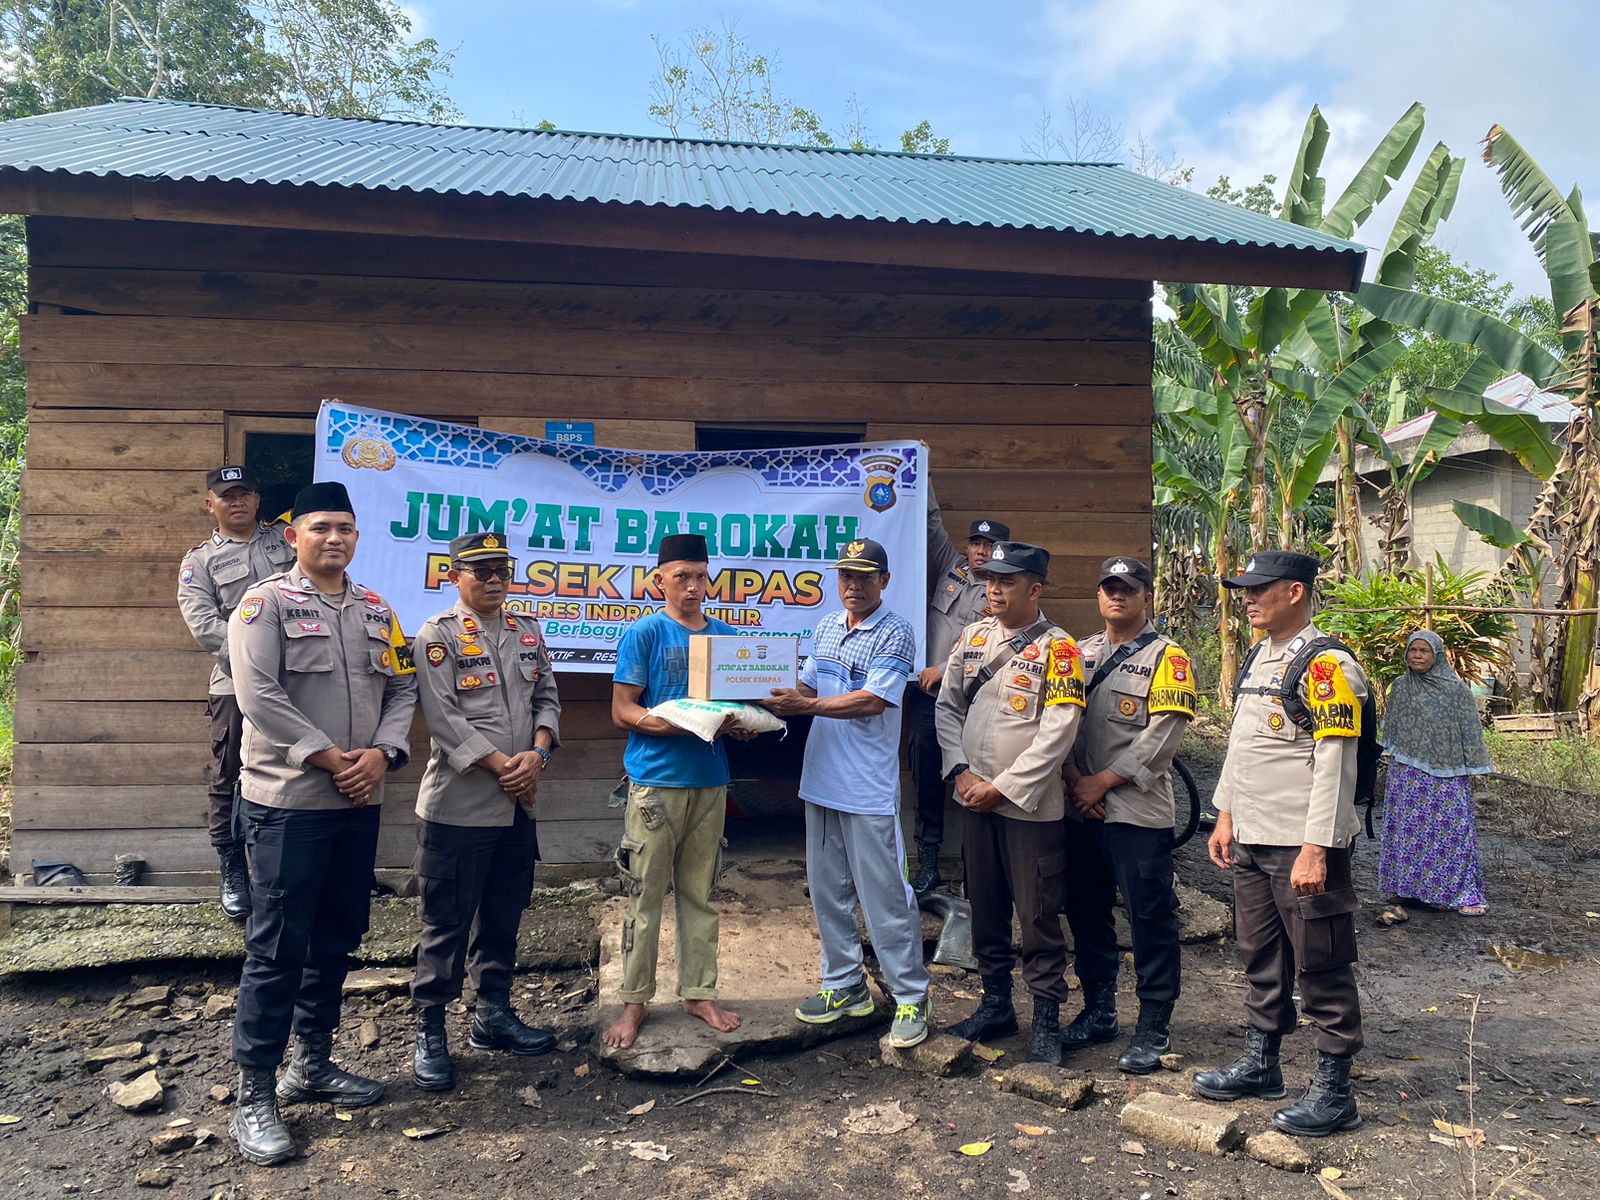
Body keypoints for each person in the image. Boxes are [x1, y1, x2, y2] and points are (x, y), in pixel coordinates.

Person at [225, 481, 417, 1166]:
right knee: (278, 946)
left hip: (357, 802)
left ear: (357, 537)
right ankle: (254, 1095)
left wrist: (383, 753)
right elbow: (259, 696)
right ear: (294, 536)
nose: (334, 538)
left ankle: (310, 1063)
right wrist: (333, 758)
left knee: (338, 934)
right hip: (288, 804)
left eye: (345, 528)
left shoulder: (377, 610)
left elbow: (404, 687)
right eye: (321, 528)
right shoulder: (264, 606)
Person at [1193, 550, 1368, 1139]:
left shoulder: (1327, 667)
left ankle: (1334, 1088)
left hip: (1300, 843)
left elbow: (1335, 765)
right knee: (1260, 956)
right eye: (1244, 588)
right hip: (1250, 837)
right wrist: (1224, 814)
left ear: (1295, 592)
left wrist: (1317, 848)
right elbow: (1245, 748)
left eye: (1259, 588)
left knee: (1321, 962)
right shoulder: (1259, 656)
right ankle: (1261, 1063)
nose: (1247, 597)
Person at [409, 532, 564, 1092]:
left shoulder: (527, 630)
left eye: (502, 569)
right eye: (481, 570)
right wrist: (507, 766)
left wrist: (538, 752)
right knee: (446, 923)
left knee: (504, 913)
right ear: (456, 576)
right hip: (458, 808)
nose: (494, 578)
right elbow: (444, 720)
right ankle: (430, 1030)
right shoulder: (437, 636)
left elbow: (547, 697)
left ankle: (491, 1014)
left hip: (518, 808)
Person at [763, 538, 931, 1048]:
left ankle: (910, 996)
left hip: (867, 787)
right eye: (845, 576)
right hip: (821, 779)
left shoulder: (896, 631)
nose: (853, 585)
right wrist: (758, 709)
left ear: (884, 580)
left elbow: (873, 701)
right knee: (828, 892)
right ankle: (845, 986)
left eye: (864, 576)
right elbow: (809, 688)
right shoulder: (827, 626)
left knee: (885, 897)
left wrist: (803, 707)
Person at [934, 541, 1085, 1062]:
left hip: (1029, 808)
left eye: (1007, 581)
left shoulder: (1061, 650)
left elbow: (1058, 733)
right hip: (974, 801)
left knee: (1039, 913)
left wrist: (1002, 786)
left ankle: (1046, 1018)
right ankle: (996, 1004)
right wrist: (959, 771)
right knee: (986, 907)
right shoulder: (973, 638)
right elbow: (948, 707)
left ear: (1035, 589)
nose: (993, 588)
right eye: (990, 579)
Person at [601, 534, 747, 1052]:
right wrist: (676, 725)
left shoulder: (726, 635)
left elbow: (735, 705)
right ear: (658, 580)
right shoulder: (644, 633)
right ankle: (635, 1000)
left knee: (700, 895)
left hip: (710, 784)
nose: (692, 586)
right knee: (644, 897)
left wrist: (742, 722)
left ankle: (698, 993)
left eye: (700, 576)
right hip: (655, 786)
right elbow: (622, 711)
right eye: (681, 576)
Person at [1061, 556, 1195, 1074]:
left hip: (1135, 813)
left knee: (1149, 919)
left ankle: (1154, 1025)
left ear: (1146, 597)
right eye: (1109, 588)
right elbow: (1060, 723)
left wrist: (1102, 781)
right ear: (1099, 596)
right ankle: (1098, 1011)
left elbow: (1161, 738)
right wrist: (1076, 780)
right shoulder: (1079, 652)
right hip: (1080, 810)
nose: (1117, 596)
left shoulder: (1169, 658)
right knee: (1086, 913)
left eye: (1128, 588)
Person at [177, 465, 295, 919]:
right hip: (234, 683)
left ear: (258, 499)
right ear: (211, 504)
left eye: (245, 493)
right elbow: (205, 625)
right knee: (230, 774)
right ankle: (233, 868)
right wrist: (257, 659)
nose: (237, 502)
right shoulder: (200, 562)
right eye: (227, 496)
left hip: (302, 677)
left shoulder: (287, 540)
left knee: (307, 764)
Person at [906, 490, 1009, 895]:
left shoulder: (1005, 589)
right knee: (927, 777)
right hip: (929, 699)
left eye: (990, 545)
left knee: (975, 779)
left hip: (975, 701)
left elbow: (998, 647)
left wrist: (944, 669)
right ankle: (928, 866)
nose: (981, 551)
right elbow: (931, 524)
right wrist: (923, 470)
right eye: (976, 543)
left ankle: (974, 872)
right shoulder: (954, 569)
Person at [1377, 630, 1491, 916]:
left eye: (1424, 651)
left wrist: (1474, 763)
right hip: (1407, 774)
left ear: (1437, 656)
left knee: (1453, 831)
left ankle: (1465, 894)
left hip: (1447, 774)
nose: (1417, 655)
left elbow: (1470, 731)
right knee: (1408, 831)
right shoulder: (1402, 687)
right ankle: (1407, 889)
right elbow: (1393, 727)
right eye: (1412, 650)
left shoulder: (1456, 691)